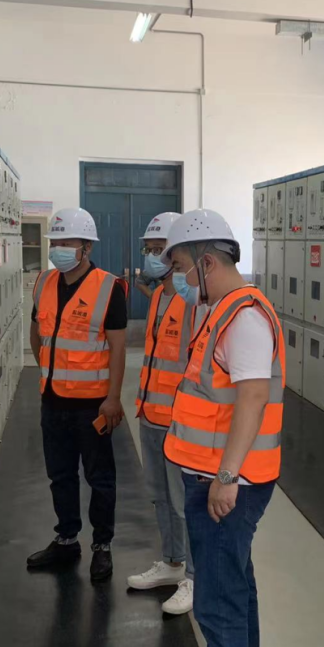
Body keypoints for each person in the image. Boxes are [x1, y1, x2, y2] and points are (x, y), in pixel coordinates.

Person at [162, 210, 285, 647]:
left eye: (182, 268)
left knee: (218, 601)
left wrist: (227, 478)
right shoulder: (222, 310)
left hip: (231, 483)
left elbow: (253, 399)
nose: (179, 279)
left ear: (207, 262)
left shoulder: (244, 318)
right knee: (235, 585)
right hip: (217, 477)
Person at [27, 207, 128, 583]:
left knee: (100, 478)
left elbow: (118, 348)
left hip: (93, 405)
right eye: (55, 242)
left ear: (87, 247)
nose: (58, 249)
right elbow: (37, 333)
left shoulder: (108, 287)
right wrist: (48, 370)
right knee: (60, 474)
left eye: (67, 243)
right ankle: (67, 539)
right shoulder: (44, 282)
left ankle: (102, 545)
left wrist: (113, 398)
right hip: (53, 401)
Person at [126, 212, 198, 615]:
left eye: (160, 250)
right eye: (149, 249)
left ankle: (194, 578)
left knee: (185, 503)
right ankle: (172, 562)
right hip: (150, 416)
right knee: (160, 497)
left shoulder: (194, 304)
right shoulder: (158, 298)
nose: (153, 257)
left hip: (180, 422)